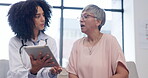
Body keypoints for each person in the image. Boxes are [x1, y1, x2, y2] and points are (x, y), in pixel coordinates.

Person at [66, 4, 129, 78]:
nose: (81, 20)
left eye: (86, 16)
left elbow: (123, 74)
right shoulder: (77, 44)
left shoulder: (110, 41)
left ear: (98, 22)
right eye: (81, 16)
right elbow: (72, 74)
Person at [7, 0, 62, 78]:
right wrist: (33, 71)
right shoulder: (15, 42)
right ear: (26, 20)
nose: (43, 19)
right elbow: (16, 73)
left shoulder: (50, 41)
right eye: (37, 16)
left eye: (43, 15)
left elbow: (47, 71)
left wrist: (51, 72)